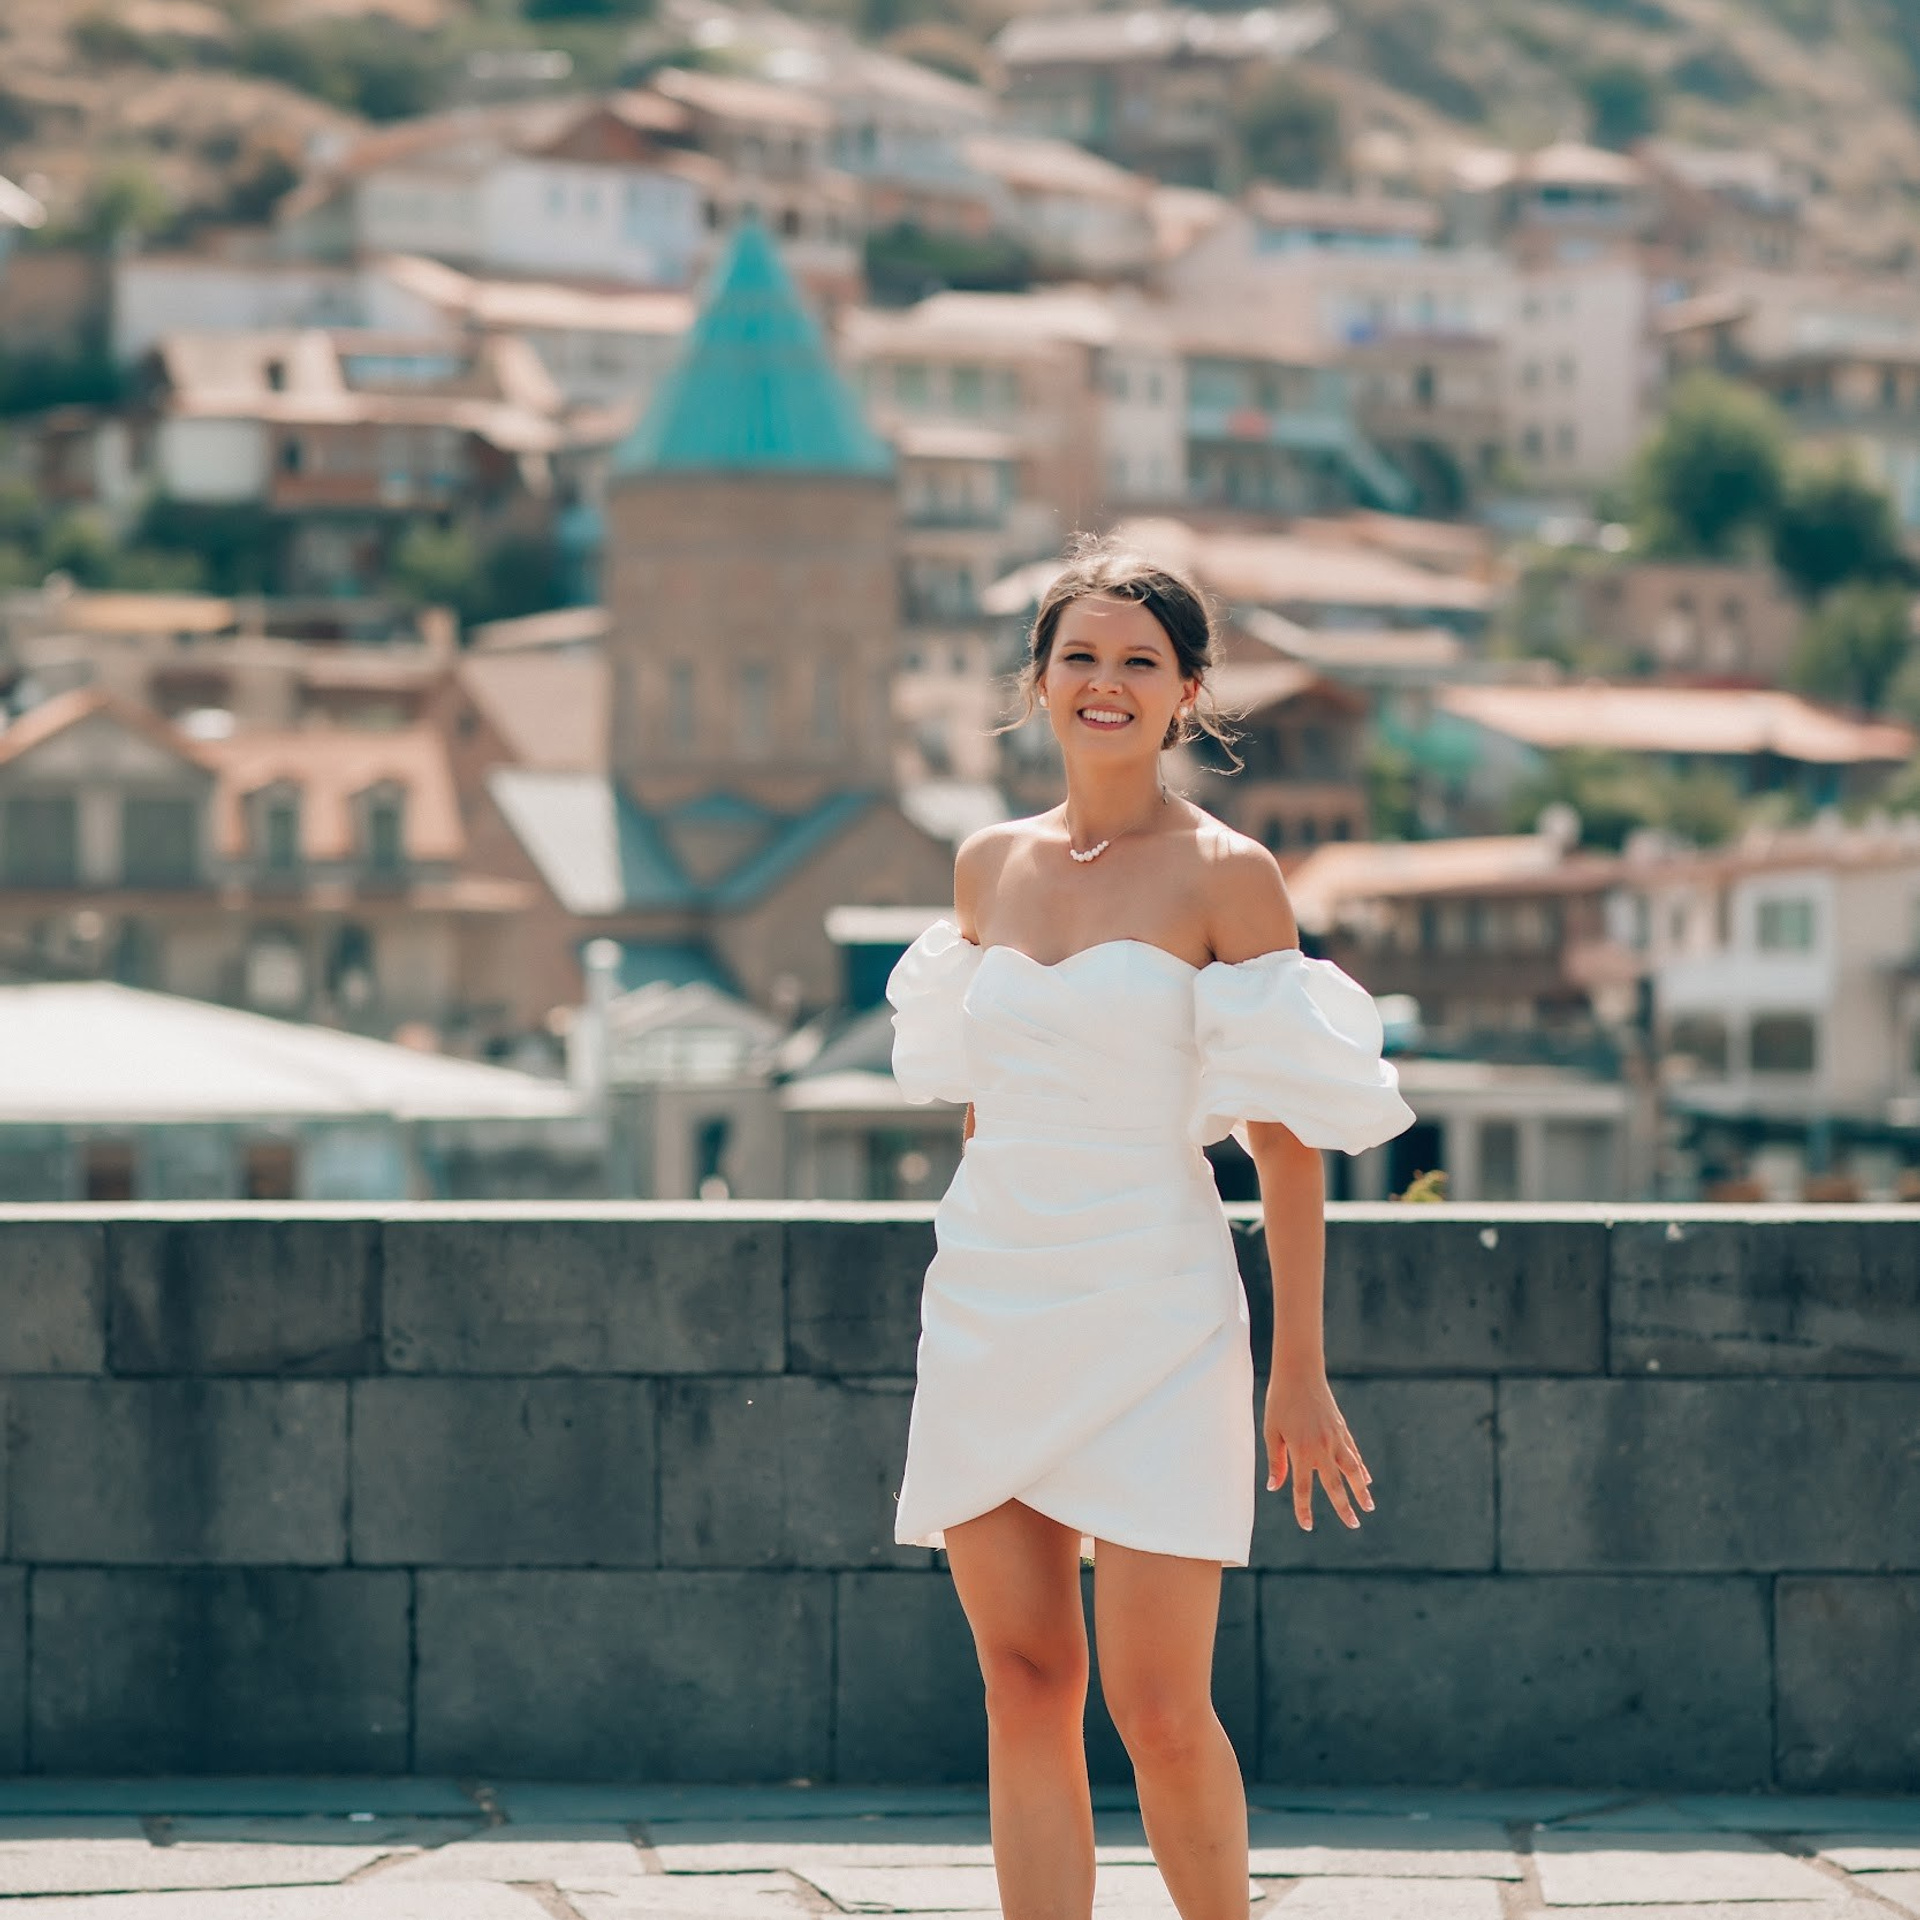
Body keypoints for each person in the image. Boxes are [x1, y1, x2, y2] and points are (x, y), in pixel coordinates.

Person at [884, 538, 1416, 1920]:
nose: (1106, 684)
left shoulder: (1229, 876)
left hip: (1159, 1306)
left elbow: (1283, 1142)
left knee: (1159, 1706)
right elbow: (985, 1100)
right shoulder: (984, 865)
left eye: (1140, 662)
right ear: (1040, 681)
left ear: (1187, 693)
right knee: (1022, 1683)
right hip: (994, 1297)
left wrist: (1297, 1372)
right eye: (1082, 657)